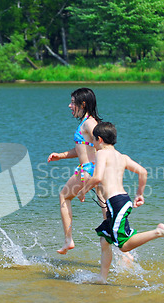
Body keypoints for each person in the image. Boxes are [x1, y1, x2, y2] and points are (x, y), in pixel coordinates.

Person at [77, 122, 164, 283]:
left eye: (94, 142)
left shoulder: (101, 154)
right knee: (105, 240)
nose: (94, 145)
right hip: (122, 200)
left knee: (124, 246)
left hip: (115, 203)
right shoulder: (122, 157)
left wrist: (82, 191)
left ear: (99, 139)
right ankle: (102, 278)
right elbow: (143, 172)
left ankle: (159, 232)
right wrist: (139, 194)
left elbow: (97, 177)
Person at [47, 88, 103, 254]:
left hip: (89, 170)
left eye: (73, 102)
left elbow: (101, 143)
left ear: (83, 104)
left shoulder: (89, 123)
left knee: (64, 196)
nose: (70, 105)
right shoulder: (87, 122)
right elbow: (83, 148)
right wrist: (62, 155)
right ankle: (123, 248)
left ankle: (68, 240)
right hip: (95, 169)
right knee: (105, 206)